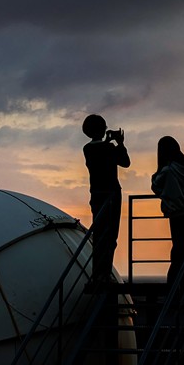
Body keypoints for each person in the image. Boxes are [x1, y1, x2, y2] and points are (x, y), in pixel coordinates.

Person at [82, 114, 131, 284]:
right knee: (110, 237)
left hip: (96, 195)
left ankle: (99, 273)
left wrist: (110, 142)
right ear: (101, 129)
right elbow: (125, 162)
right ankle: (104, 273)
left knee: (100, 235)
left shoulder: (87, 148)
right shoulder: (108, 148)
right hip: (111, 195)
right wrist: (120, 143)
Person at [151, 136, 184, 290]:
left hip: (177, 215)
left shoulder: (168, 170)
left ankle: (175, 284)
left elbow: (156, 186)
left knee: (179, 250)